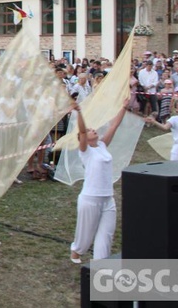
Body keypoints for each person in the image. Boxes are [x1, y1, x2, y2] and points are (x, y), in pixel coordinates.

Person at [70, 102, 129, 263]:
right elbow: (82, 131)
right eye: (90, 131)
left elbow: (114, 125)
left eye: (93, 129)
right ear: (84, 139)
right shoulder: (85, 152)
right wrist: (79, 112)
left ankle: (101, 265)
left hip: (108, 198)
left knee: (106, 234)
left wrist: (124, 106)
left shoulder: (102, 145)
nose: (93, 130)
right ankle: (76, 250)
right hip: (90, 198)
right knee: (85, 235)